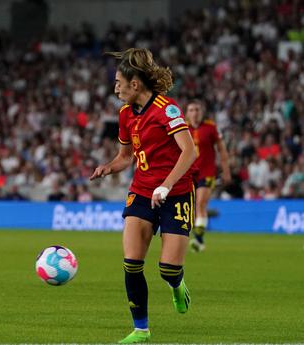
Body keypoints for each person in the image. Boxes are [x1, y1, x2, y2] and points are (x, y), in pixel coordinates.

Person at [90, 48, 196, 344]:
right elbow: (126, 157)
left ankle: (177, 285)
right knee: (132, 262)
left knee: (168, 268)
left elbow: (189, 151)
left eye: (118, 82)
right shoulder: (125, 114)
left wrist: (166, 185)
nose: (115, 88)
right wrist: (109, 167)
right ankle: (141, 329)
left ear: (134, 84)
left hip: (175, 192)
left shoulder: (166, 108)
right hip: (141, 191)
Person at [186, 100, 230, 252]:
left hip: (206, 172)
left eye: (197, 109)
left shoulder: (211, 127)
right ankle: (199, 238)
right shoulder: (183, 129)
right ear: (187, 113)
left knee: (200, 203)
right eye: (191, 109)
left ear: (202, 111)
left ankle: (198, 239)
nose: (195, 112)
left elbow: (222, 151)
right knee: (192, 207)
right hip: (188, 173)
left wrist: (226, 171)